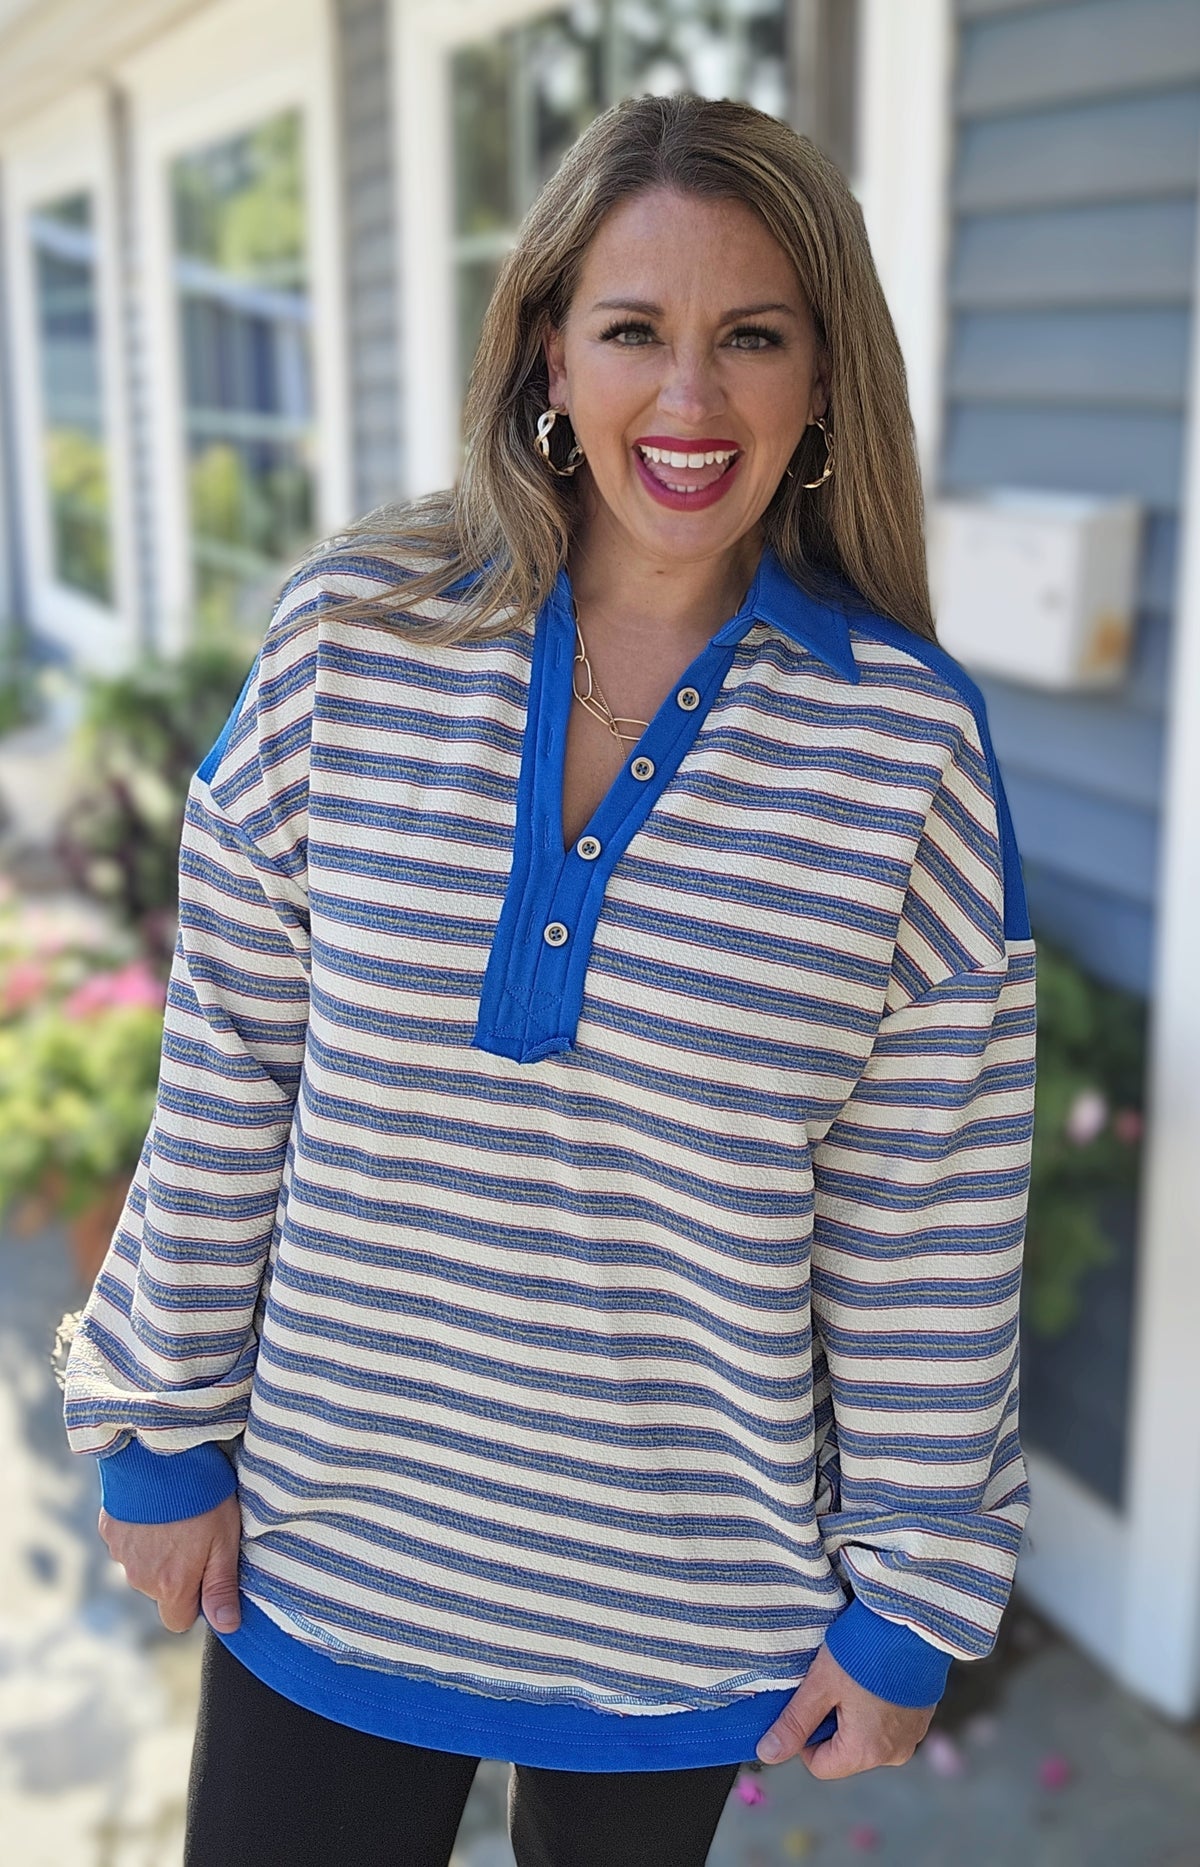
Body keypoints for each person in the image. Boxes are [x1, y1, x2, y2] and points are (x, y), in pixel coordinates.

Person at [60, 91, 1037, 1867]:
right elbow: (228, 1053)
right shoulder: (353, 638)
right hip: (328, 1552)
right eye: (633, 332)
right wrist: (162, 1420)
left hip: (678, 1605)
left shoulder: (904, 752)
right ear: (543, 357)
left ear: (825, 381)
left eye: (753, 337)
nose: (689, 400)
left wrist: (915, 1588)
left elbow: (925, 1216)